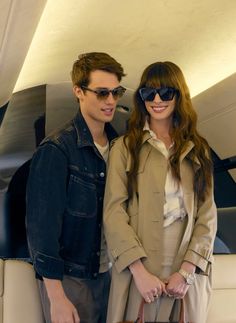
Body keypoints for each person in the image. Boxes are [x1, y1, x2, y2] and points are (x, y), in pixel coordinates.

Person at [103, 61, 217, 323]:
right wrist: (139, 273)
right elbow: (114, 213)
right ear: (141, 97)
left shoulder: (199, 150)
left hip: (185, 269)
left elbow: (207, 216)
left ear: (178, 95)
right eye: (148, 93)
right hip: (138, 269)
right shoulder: (124, 148)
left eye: (165, 93)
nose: (156, 100)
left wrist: (187, 272)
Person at [26, 52, 126, 323]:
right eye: (102, 93)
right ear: (79, 91)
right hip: (72, 280)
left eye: (116, 92)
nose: (111, 101)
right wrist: (57, 297)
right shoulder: (57, 150)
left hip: (113, 275)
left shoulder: (122, 148)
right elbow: (41, 229)